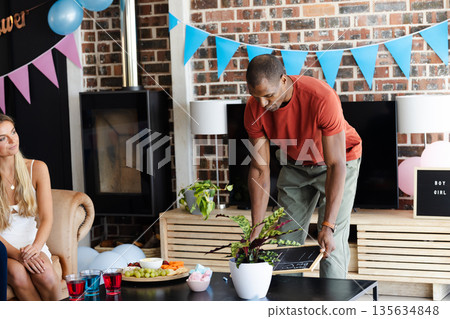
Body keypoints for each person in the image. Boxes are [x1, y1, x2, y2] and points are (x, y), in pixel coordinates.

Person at [244, 54, 362, 279]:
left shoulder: (320, 97)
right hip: (296, 163)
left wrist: (327, 225)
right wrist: (256, 228)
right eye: (255, 96)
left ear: (284, 80)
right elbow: (260, 169)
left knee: (330, 242)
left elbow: (335, 164)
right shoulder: (254, 108)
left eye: (268, 95)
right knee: (285, 241)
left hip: (339, 161)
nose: (262, 104)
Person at [0, 114, 60, 300]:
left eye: (13, 132)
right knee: (18, 275)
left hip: (32, 243)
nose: (13, 140)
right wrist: (18, 255)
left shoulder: (38, 168)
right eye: (2, 138)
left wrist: (36, 248)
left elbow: (47, 217)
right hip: (4, 248)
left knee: (47, 276)